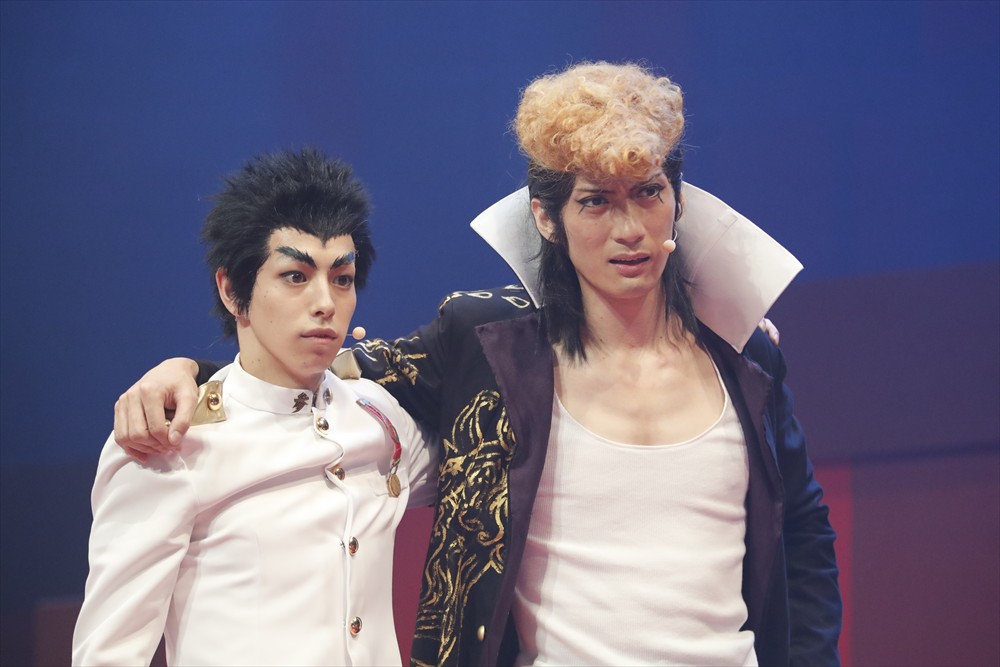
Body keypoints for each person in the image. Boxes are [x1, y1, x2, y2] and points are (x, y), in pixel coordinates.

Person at [114, 62, 841, 666]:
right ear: (546, 217)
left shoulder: (744, 359)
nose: (629, 229)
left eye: (648, 193)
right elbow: (313, 371)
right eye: (596, 202)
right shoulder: (490, 344)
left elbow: (803, 537)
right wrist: (190, 371)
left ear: (677, 202)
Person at [72, 148, 437, 666]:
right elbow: (108, 654)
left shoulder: (380, 418)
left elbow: (492, 460)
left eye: (342, 278)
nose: (325, 303)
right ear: (231, 290)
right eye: (295, 276)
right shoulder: (169, 441)